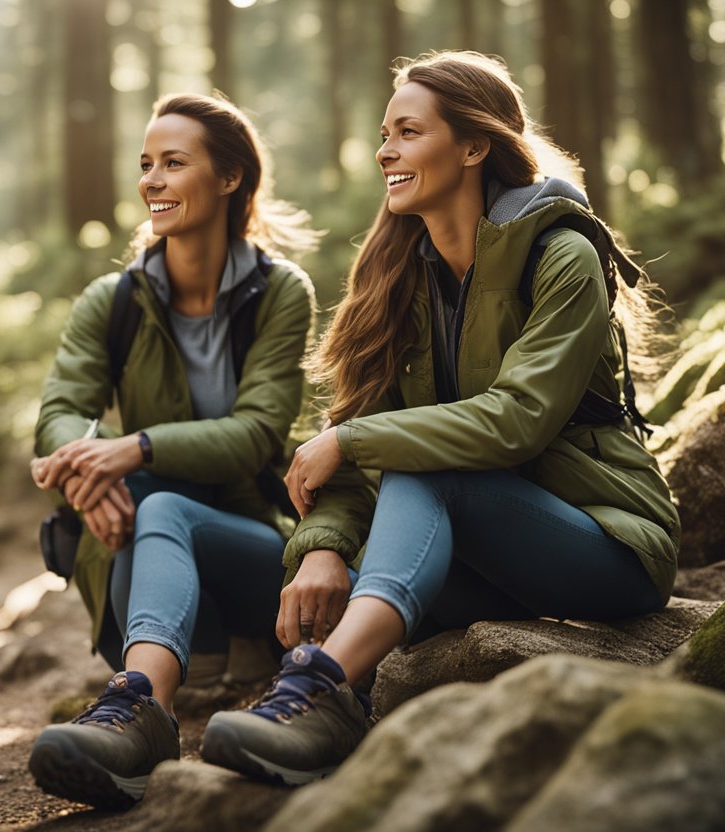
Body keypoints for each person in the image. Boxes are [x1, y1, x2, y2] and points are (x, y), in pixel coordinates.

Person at [200, 50, 680, 785]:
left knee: (433, 473)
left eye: (407, 132)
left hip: (607, 542)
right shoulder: (398, 274)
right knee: (352, 576)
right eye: (383, 133)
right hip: (488, 557)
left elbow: (515, 421)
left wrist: (353, 440)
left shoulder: (562, 253)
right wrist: (322, 547)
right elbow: (363, 429)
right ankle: (324, 720)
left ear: (473, 146)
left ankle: (316, 693)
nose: (384, 151)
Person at [26, 92, 319, 808]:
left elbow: (256, 434)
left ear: (229, 179)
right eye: (145, 164)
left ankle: (140, 712)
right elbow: (63, 409)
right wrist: (82, 473)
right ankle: (145, 703)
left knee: (160, 504)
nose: (151, 180)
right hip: (131, 562)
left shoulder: (280, 293)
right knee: (152, 504)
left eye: (173, 163)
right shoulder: (112, 299)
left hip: (250, 555)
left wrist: (131, 450)